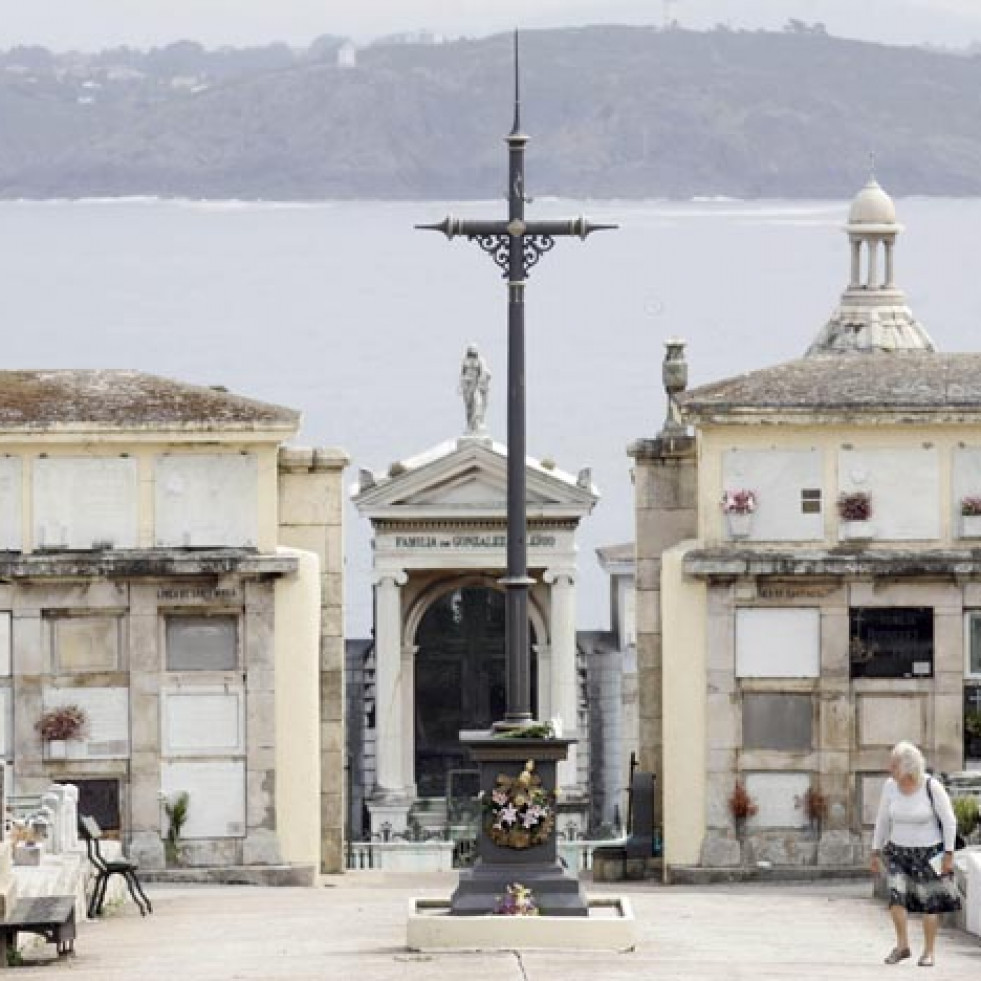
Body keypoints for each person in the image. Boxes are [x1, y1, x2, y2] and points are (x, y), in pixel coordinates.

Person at [870, 740, 961, 967]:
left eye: (894, 764)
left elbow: (949, 821)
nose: (889, 768)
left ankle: (928, 952)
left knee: (931, 903)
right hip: (898, 851)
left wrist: (949, 853)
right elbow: (882, 820)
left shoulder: (931, 786)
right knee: (896, 898)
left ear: (907, 766)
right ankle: (902, 946)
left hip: (931, 852)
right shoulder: (890, 786)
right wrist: (875, 851)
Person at [458, 344, 490, 434]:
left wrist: (480, 382)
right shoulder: (465, 361)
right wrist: (461, 385)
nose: (472, 354)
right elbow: (462, 373)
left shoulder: (480, 361)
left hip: (476, 385)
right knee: (469, 407)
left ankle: (477, 424)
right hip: (467, 386)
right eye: (470, 352)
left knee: (477, 403)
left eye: (473, 352)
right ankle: (470, 426)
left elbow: (483, 372)